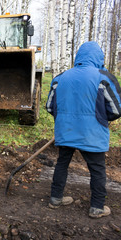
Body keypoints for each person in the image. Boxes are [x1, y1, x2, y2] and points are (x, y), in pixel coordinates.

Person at [46, 41, 121, 218]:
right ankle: (97, 207)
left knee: (62, 163)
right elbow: (116, 110)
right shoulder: (103, 77)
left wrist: (64, 119)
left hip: (67, 130)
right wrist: (101, 118)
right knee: (97, 169)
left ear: (78, 57)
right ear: (99, 57)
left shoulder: (60, 78)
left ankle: (55, 198)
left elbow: (50, 106)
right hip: (92, 134)